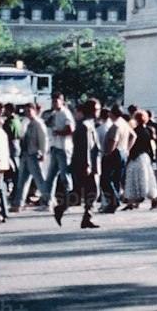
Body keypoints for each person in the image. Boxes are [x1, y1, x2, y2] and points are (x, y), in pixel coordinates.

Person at [56, 98, 100, 229]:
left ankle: (64, 209)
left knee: (80, 192)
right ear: (91, 110)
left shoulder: (88, 124)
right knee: (92, 191)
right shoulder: (85, 126)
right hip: (85, 165)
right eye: (97, 109)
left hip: (89, 164)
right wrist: (87, 165)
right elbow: (84, 147)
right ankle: (85, 216)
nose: (99, 112)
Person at [12, 103, 50, 212]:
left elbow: (43, 139)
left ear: (34, 110)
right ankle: (18, 203)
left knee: (40, 180)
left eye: (29, 110)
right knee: (22, 180)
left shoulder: (38, 123)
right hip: (26, 154)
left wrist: (43, 153)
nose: (27, 113)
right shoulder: (28, 123)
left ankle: (49, 201)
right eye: (26, 111)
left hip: (34, 155)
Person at [123, 110, 157, 209]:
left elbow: (133, 145)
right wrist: (152, 157)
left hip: (136, 157)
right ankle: (154, 199)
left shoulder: (135, 131)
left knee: (133, 179)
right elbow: (151, 146)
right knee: (148, 179)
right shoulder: (149, 130)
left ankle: (131, 201)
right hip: (145, 156)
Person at [46, 91, 74, 211]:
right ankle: (49, 201)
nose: (54, 103)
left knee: (65, 176)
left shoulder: (65, 113)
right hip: (55, 146)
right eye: (53, 101)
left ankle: (68, 201)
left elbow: (71, 130)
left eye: (56, 101)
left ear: (61, 101)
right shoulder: (54, 113)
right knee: (51, 176)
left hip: (64, 148)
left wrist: (59, 132)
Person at [100, 106, 131, 214]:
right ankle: (114, 201)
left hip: (114, 153)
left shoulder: (115, 126)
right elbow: (133, 135)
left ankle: (113, 201)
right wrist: (127, 148)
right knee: (116, 179)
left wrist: (108, 153)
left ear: (111, 114)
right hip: (122, 152)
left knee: (105, 180)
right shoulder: (124, 123)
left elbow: (113, 140)